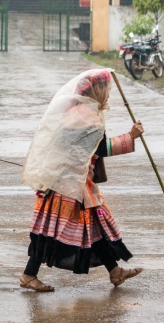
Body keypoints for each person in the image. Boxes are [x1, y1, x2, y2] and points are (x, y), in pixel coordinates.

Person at [18, 69, 144, 292]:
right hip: (69, 185)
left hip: (68, 181)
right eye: (106, 89)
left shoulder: (76, 111)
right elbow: (100, 149)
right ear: (97, 90)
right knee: (49, 232)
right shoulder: (87, 116)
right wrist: (130, 137)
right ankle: (29, 275)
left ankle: (115, 272)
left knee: (93, 228)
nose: (108, 94)